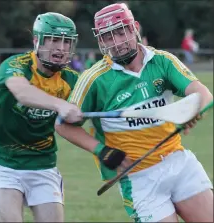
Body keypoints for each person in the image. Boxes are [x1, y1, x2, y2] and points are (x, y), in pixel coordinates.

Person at [55, 3, 213, 222]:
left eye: (121, 32)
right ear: (101, 41)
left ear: (134, 28)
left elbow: (202, 93)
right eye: (108, 37)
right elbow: (62, 124)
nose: (117, 43)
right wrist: (101, 150)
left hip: (179, 163)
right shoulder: (94, 79)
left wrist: (194, 111)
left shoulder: (162, 61)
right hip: (139, 177)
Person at [0, 12, 83, 222]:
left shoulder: (72, 80)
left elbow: (89, 111)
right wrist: (61, 105)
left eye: (66, 42)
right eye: (54, 40)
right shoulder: (16, 65)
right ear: (37, 41)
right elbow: (22, 91)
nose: (61, 48)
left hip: (43, 165)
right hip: (2, 162)